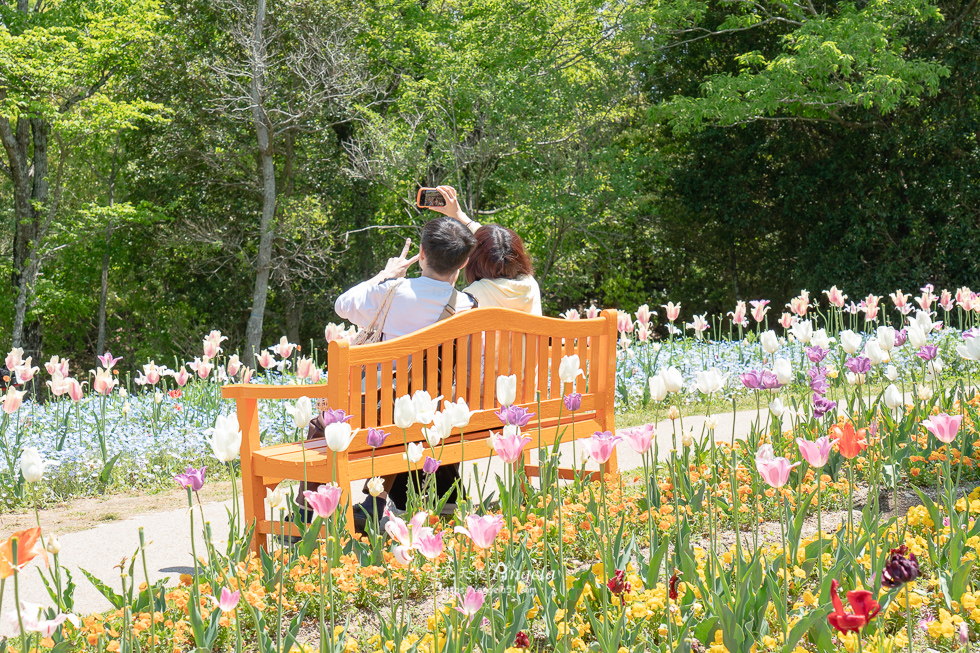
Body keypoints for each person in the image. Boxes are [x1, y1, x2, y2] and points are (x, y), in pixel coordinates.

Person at [330, 214, 478, 531]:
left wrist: (386, 273)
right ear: (463, 264)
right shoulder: (467, 304)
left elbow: (342, 305)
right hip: (441, 411)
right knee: (412, 409)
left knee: (332, 418)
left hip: (381, 412)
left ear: (421, 254)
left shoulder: (391, 291)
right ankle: (408, 500)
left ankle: (357, 505)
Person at [425, 186, 542, 314]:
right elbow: (493, 246)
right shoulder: (530, 285)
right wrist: (459, 215)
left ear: (475, 259)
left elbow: (488, 246)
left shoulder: (471, 297)